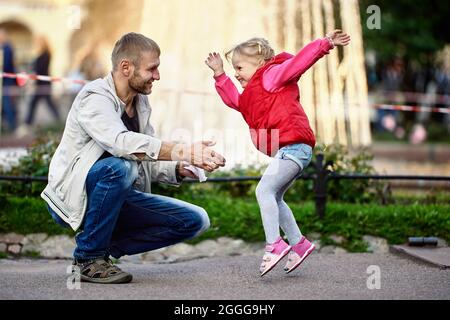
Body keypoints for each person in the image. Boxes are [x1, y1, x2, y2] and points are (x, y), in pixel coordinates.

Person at [41, 32, 226, 284]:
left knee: (195, 220)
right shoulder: (94, 97)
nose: (158, 76)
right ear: (126, 67)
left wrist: (179, 168)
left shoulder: (140, 104)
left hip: (116, 195)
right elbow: (122, 144)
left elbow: (145, 157)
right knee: (121, 165)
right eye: (152, 69)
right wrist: (183, 149)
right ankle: (88, 257)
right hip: (75, 198)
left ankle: (100, 247)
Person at [205, 30, 350, 276]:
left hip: (294, 147)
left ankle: (274, 245)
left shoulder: (271, 76)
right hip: (291, 149)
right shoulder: (254, 91)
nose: (236, 73)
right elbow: (235, 101)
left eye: (239, 68)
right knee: (275, 196)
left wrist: (324, 43)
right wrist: (219, 75)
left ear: (259, 63)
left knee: (263, 191)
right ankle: (299, 243)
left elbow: (298, 63)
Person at [24, 36, 60, 127]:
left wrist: (33, 76)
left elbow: (40, 69)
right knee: (36, 103)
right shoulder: (40, 54)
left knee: (47, 104)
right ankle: (28, 123)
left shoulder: (46, 54)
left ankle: (27, 124)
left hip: (43, 84)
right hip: (39, 84)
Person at [0, 28, 18, 133]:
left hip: (7, 80)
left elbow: (6, 65)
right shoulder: (4, 47)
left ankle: (11, 125)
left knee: (7, 103)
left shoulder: (7, 48)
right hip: (5, 79)